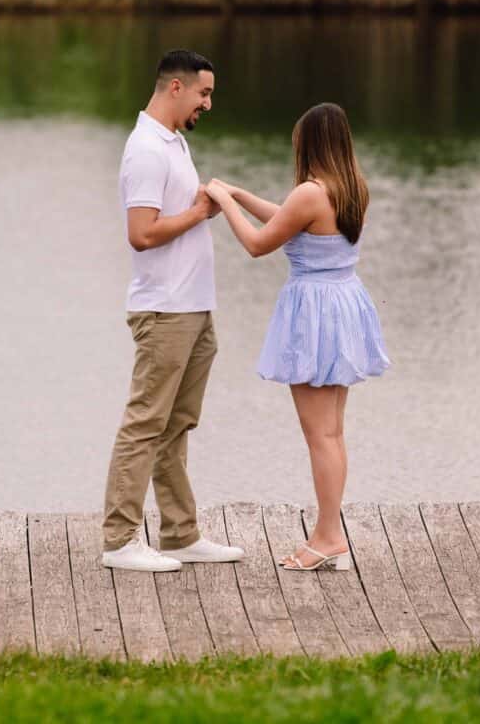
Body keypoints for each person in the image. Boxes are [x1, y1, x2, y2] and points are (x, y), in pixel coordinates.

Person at [205, 102, 391, 571]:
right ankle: (331, 531)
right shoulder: (351, 188)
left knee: (319, 435)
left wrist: (223, 200)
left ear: (308, 143)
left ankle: (328, 536)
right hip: (343, 304)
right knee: (332, 432)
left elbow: (257, 244)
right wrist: (243, 195)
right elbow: (289, 219)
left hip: (316, 314)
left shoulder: (310, 192)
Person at [101, 50, 245, 572]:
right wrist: (199, 212)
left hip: (194, 308)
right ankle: (119, 541)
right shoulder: (146, 150)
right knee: (145, 423)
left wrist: (203, 201)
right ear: (176, 88)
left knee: (176, 424)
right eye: (204, 93)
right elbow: (141, 235)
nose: (209, 103)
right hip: (164, 312)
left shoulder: (174, 142)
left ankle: (180, 535)